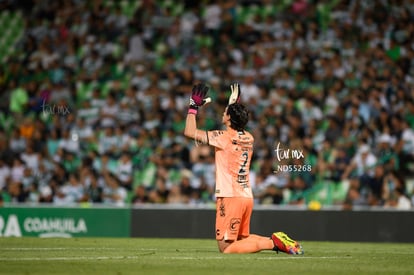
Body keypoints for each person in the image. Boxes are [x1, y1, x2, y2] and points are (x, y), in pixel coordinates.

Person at [183, 82, 304, 254]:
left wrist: (193, 107)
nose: (223, 113)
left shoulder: (222, 137)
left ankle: (273, 244)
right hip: (246, 196)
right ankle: (279, 241)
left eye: (225, 112)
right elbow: (235, 125)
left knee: (227, 247)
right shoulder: (249, 137)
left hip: (230, 197)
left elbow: (189, 131)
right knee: (241, 240)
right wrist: (234, 105)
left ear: (229, 118)